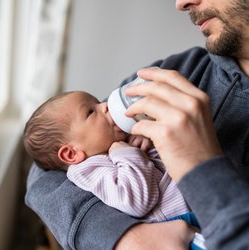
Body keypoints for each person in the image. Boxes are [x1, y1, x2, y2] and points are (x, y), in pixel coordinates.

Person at [25, 0, 249, 249]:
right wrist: (123, 237)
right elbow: (44, 172)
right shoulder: (181, 70)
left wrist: (200, 166)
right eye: (92, 110)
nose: (180, 3)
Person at [23, 91, 205, 249]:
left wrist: (148, 144)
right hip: (176, 229)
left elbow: (163, 167)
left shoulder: (119, 144)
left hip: (199, 210)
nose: (105, 105)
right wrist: (128, 153)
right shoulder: (89, 170)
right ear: (72, 154)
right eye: (90, 112)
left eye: (97, 102)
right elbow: (136, 201)